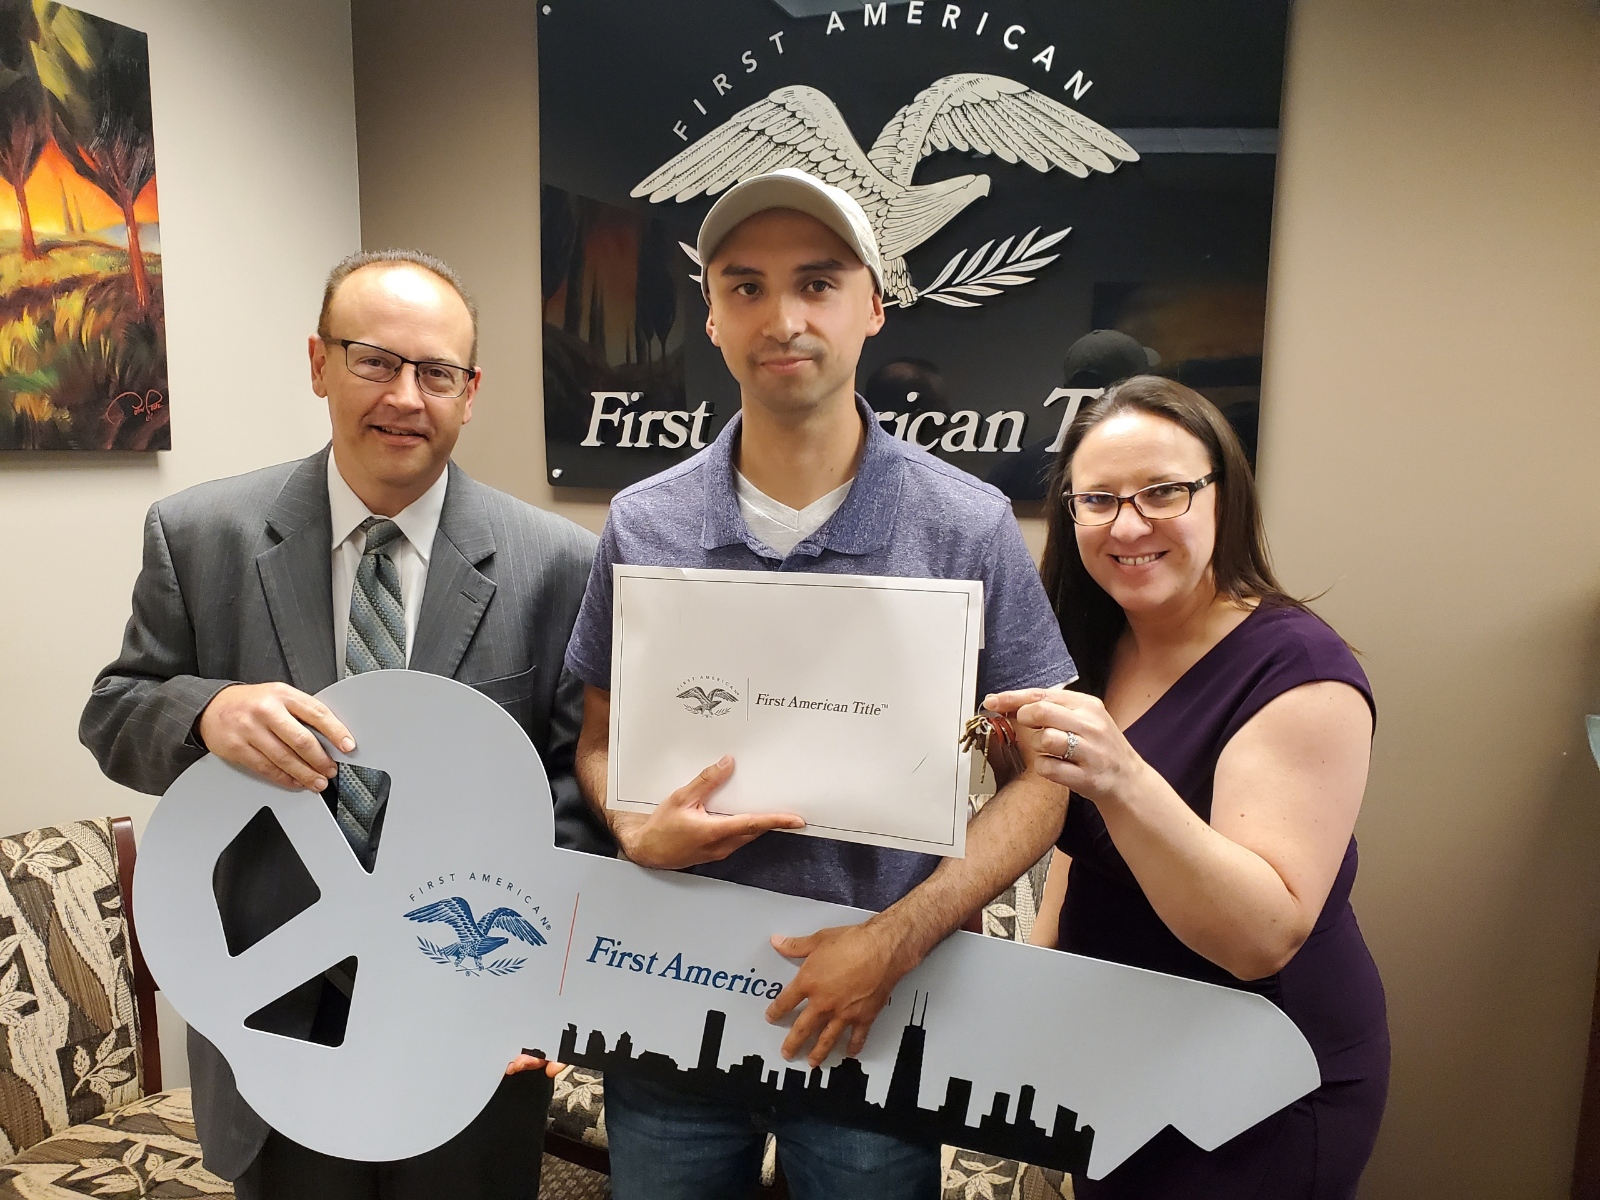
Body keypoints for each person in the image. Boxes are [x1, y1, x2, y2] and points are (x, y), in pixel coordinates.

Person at [559, 167, 1076, 1199]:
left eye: (818, 282)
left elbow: (1047, 781)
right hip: (668, 1011)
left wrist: (896, 938)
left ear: (872, 306)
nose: (783, 318)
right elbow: (600, 740)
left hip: (871, 1026)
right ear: (711, 317)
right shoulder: (644, 523)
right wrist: (632, 826)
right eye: (745, 286)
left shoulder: (965, 526)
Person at [80, 249, 602, 1200]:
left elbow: (577, 790)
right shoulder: (198, 535)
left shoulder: (560, 563)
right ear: (320, 364)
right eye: (375, 361)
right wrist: (207, 711)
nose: (405, 397)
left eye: (436, 372)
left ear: (471, 392)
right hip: (270, 1010)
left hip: (464, 1020)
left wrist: (540, 982)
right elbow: (115, 711)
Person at [989, 375, 1388, 1197]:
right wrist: (1038, 981)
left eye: (1163, 491)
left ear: (1222, 498)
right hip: (1120, 1062)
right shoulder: (1093, 641)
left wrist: (1122, 777)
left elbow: (1260, 938)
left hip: (1260, 1081)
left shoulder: (1300, 672)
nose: (1128, 524)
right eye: (1098, 500)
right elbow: (1084, 848)